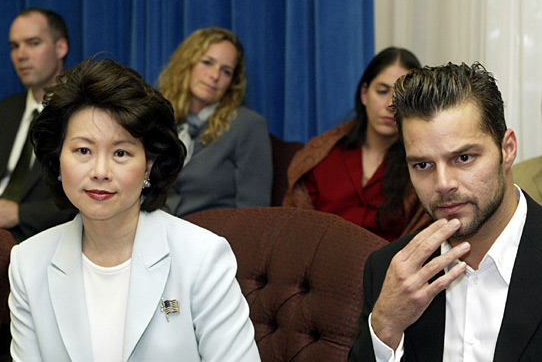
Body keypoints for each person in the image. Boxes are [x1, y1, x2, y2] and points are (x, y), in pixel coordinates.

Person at [8, 58, 260, 361]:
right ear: (57, 158)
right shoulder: (28, 263)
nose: (100, 171)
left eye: (121, 152)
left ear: (148, 166)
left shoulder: (202, 258)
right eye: (83, 150)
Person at [348, 62, 542, 361]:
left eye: (463, 157)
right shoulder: (391, 269)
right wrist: (385, 326)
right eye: (423, 165)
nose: (443, 184)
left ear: (507, 149)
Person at [284, 47, 431, 241]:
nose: (390, 104)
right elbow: (295, 225)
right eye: (382, 91)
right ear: (364, 93)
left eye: (401, 95)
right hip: (320, 265)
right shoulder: (322, 154)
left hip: (391, 268)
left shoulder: (423, 165)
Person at [157, 27, 272, 217]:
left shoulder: (248, 125)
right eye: (207, 63)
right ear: (187, 63)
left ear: (233, 83)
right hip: (155, 232)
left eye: (226, 71)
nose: (215, 76)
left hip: (213, 238)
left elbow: (255, 214)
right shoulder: (158, 118)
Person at [0, 7, 75, 242]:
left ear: (61, 48)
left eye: (33, 43)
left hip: (41, 239)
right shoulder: (3, 112)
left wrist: (20, 214)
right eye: (14, 46)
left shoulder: (80, 113)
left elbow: (85, 198)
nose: (21, 55)